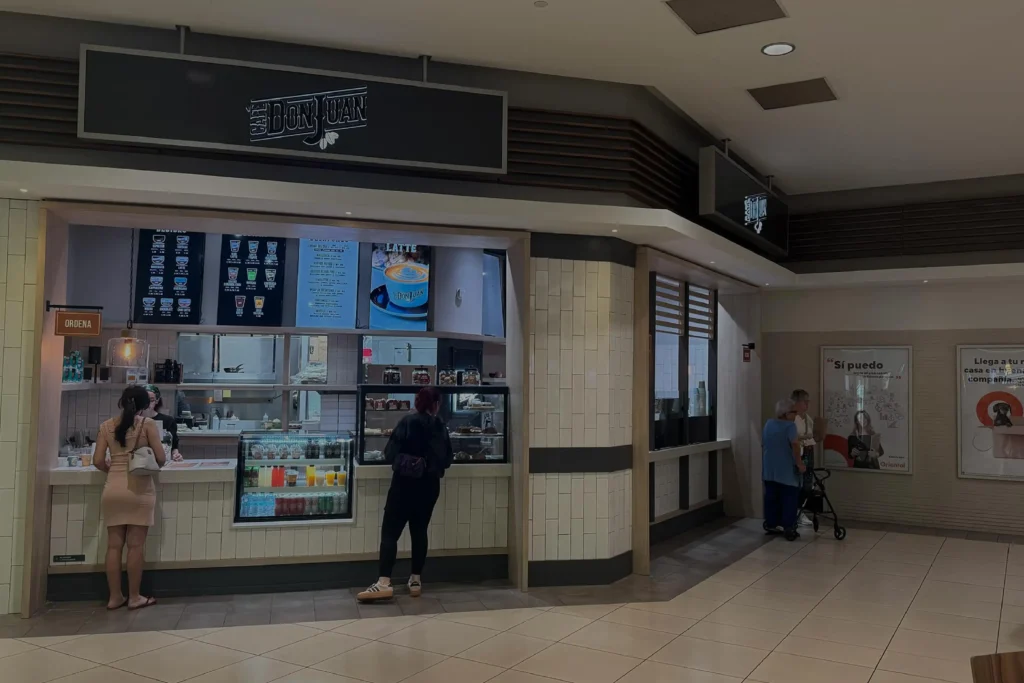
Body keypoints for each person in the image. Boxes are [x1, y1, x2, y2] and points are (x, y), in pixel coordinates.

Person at [357, 387, 453, 601]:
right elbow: (447, 459)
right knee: (419, 532)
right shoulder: (440, 427)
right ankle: (416, 580)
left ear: (418, 402)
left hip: (403, 486)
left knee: (391, 533)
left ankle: (384, 582)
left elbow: (389, 453)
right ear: (436, 405)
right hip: (429, 489)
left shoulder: (407, 422)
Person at [92, 385, 168, 610]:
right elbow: (161, 458)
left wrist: (114, 471)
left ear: (122, 402)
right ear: (146, 405)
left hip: (112, 489)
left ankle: (115, 597)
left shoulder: (106, 426)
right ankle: (134, 597)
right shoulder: (148, 424)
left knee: (114, 546)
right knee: (135, 546)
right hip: (139, 490)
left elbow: (97, 461)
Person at [762, 398, 805, 540]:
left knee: (771, 497)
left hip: (769, 468)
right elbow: (795, 445)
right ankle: (788, 527)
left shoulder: (768, 424)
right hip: (786, 469)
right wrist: (799, 464)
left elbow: (764, 443)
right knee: (789, 497)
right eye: (794, 412)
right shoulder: (789, 426)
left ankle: (772, 523)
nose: (796, 415)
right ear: (786, 414)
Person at [791, 389, 816, 527]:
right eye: (804, 401)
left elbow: (812, 435)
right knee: (798, 484)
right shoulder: (791, 419)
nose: (807, 404)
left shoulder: (807, 418)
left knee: (807, 484)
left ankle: (800, 511)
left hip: (808, 451)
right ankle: (794, 512)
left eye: (808, 401)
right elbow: (792, 438)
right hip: (798, 453)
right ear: (796, 402)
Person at [144, 385, 184, 462]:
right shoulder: (134, 420)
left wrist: (176, 455)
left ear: (157, 400)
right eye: (145, 400)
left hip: (163, 461)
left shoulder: (168, 421)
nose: (148, 404)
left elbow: (174, 446)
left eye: (151, 400)